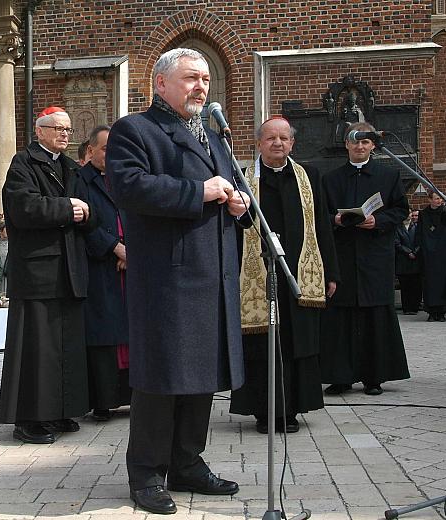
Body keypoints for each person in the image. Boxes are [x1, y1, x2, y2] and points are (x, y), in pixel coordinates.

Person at [105, 48, 250, 515]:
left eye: (206, 79)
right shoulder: (136, 130)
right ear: (161, 83)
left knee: (201, 378)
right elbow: (128, 187)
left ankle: (187, 462)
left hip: (213, 275)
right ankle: (146, 474)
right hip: (168, 279)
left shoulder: (213, 134)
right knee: (161, 378)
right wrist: (199, 191)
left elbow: (229, 187)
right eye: (191, 78)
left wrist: (239, 203)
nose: (202, 87)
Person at [230, 117, 338, 434]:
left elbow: (323, 227)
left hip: (299, 277)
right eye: (270, 138)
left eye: (284, 138)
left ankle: (291, 409)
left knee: (296, 343)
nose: (278, 143)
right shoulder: (242, 180)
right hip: (257, 274)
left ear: (292, 143)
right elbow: (235, 228)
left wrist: (331, 272)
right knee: (263, 345)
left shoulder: (310, 177)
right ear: (259, 143)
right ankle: (264, 412)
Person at [0, 105, 96, 445]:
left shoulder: (71, 167)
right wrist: (69, 208)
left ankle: (60, 409)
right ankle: (29, 418)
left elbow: (91, 212)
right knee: (36, 347)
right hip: (38, 270)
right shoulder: (23, 163)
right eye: (57, 128)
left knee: (65, 346)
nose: (65, 134)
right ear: (39, 131)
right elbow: (24, 208)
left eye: (68, 129)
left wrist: (85, 212)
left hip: (69, 267)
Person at [320, 121, 410, 396]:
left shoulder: (388, 176)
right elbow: (319, 215)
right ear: (346, 144)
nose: (360, 146)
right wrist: (334, 220)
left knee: (375, 317)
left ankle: (374, 376)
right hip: (344, 255)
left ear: (372, 145)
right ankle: (341, 375)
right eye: (355, 141)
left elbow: (400, 210)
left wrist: (378, 221)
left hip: (375, 256)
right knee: (341, 318)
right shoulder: (330, 179)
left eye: (365, 142)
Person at [80, 125, 132, 422]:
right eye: (105, 149)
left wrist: (131, 249)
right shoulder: (80, 180)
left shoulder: (125, 177)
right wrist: (114, 247)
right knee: (104, 334)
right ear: (91, 151)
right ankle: (103, 400)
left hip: (131, 264)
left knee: (132, 331)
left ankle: (132, 396)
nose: (111, 155)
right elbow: (84, 223)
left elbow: (140, 214)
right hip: (101, 266)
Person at [417, 191, 446, 321]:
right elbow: (420, 232)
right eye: (437, 198)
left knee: (442, 282)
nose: (439, 201)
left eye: (440, 199)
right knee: (430, 283)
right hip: (429, 253)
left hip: (443, 251)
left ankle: (442, 311)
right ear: (430, 199)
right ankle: (432, 311)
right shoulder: (424, 214)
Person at [395, 210, 422, 315]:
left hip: (415, 260)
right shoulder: (398, 228)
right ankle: (406, 307)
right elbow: (396, 243)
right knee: (405, 286)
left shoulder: (416, 227)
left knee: (415, 285)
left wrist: (415, 252)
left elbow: (420, 241)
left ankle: (415, 307)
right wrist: (407, 252)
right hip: (403, 260)